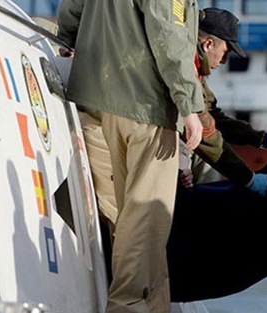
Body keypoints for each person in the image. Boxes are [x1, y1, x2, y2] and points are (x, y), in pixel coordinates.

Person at [57, 0, 205, 312]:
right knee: (146, 217)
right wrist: (189, 106)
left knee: (130, 217)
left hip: (103, 100)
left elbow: (72, 8)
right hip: (147, 106)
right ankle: (128, 305)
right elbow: (169, 35)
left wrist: (68, 39)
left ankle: (154, 305)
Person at [179, 8, 267, 196]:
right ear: (208, 44)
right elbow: (206, 130)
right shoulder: (186, 70)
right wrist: (248, 178)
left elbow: (214, 116)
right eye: (225, 52)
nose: (224, 61)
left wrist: (261, 139)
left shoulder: (195, 70)